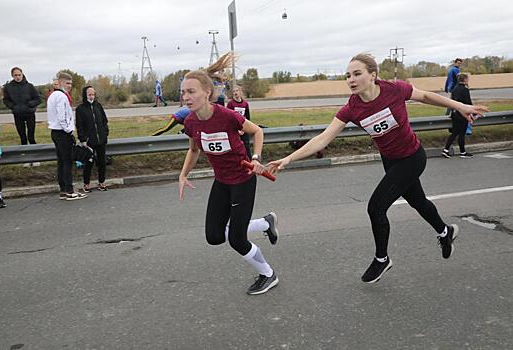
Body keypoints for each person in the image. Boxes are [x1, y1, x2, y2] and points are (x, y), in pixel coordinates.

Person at [268, 53, 489, 284]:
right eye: (347, 75)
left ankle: (382, 259)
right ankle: (445, 233)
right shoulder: (352, 108)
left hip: (412, 157)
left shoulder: (394, 90)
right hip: (390, 160)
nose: (351, 79)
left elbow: (424, 96)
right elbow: (323, 138)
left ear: (373, 75)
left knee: (376, 207)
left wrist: (460, 106)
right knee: (418, 201)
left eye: (357, 74)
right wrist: (288, 159)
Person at [179, 70, 279, 295]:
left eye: (191, 91)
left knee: (237, 239)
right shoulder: (190, 121)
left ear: (207, 92)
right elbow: (193, 150)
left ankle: (268, 274)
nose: (186, 96)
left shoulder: (226, 116)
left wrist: (256, 158)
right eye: (183, 92)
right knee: (213, 236)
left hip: (243, 180)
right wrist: (183, 174)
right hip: (222, 182)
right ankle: (265, 223)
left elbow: (257, 131)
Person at [47, 72, 87, 201]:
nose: (69, 86)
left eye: (71, 83)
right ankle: (69, 191)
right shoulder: (61, 96)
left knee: (61, 162)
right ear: (60, 82)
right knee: (67, 162)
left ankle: (63, 190)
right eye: (67, 83)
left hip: (55, 131)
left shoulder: (52, 95)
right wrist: (69, 131)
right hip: (62, 132)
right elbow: (62, 116)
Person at [76, 86, 110, 192]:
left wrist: (105, 133)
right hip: (89, 141)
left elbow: (104, 121)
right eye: (89, 94)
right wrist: (83, 139)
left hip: (101, 140)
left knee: (102, 162)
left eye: (93, 94)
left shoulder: (98, 106)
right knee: (89, 163)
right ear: (85, 95)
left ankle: (102, 183)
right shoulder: (80, 109)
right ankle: (86, 184)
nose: (92, 96)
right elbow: (79, 125)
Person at [3, 67, 41, 146]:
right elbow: (6, 100)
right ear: (12, 76)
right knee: (23, 138)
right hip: (18, 114)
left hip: (29, 114)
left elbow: (38, 99)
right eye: (15, 75)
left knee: (31, 137)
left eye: (19, 75)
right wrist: (13, 106)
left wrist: (30, 104)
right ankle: (24, 155)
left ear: (22, 74)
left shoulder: (29, 86)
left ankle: (34, 154)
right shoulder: (8, 87)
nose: (18, 77)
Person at [442, 73, 474, 159]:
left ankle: (446, 150)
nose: (468, 81)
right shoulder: (465, 89)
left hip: (454, 113)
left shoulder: (455, 89)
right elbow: (468, 102)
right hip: (462, 114)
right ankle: (462, 152)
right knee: (462, 134)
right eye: (467, 79)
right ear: (464, 80)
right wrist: (473, 112)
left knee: (455, 132)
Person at [227, 85, 252, 157]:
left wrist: (245, 129)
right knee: (236, 148)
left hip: (243, 128)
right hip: (235, 129)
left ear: (240, 92)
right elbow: (229, 118)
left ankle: (250, 163)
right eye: (234, 91)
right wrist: (237, 130)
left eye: (237, 91)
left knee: (246, 147)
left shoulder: (245, 104)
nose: (235, 93)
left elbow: (247, 117)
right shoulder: (231, 104)